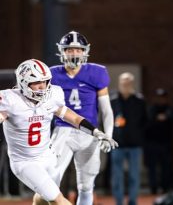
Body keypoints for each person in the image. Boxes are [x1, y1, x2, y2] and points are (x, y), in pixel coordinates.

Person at [0, 59, 117, 205]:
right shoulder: (10, 99)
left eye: (45, 81)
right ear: (23, 82)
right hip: (25, 161)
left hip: (47, 156)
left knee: (43, 197)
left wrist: (96, 132)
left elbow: (73, 117)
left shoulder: (53, 94)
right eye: (36, 82)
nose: (42, 86)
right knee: (58, 200)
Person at [49, 31, 115, 205]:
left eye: (78, 50)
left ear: (85, 51)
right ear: (62, 51)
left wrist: (108, 134)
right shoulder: (52, 74)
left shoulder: (96, 72)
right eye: (70, 49)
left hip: (89, 131)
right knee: (52, 178)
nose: (74, 53)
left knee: (86, 186)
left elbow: (106, 109)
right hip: (63, 130)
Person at [110, 72, 147, 205]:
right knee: (117, 176)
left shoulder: (139, 101)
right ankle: (119, 202)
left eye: (128, 83)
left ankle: (132, 201)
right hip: (117, 143)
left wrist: (139, 135)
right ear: (119, 84)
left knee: (134, 175)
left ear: (132, 84)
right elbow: (106, 120)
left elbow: (145, 121)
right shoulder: (113, 100)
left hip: (135, 144)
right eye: (123, 83)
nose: (125, 86)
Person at [144, 88, 173, 194]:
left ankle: (166, 187)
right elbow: (148, 121)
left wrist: (166, 116)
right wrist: (158, 118)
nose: (161, 100)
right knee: (152, 167)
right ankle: (153, 188)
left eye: (163, 98)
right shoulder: (150, 109)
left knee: (166, 166)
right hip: (152, 142)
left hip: (166, 143)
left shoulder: (170, 109)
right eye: (159, 98)